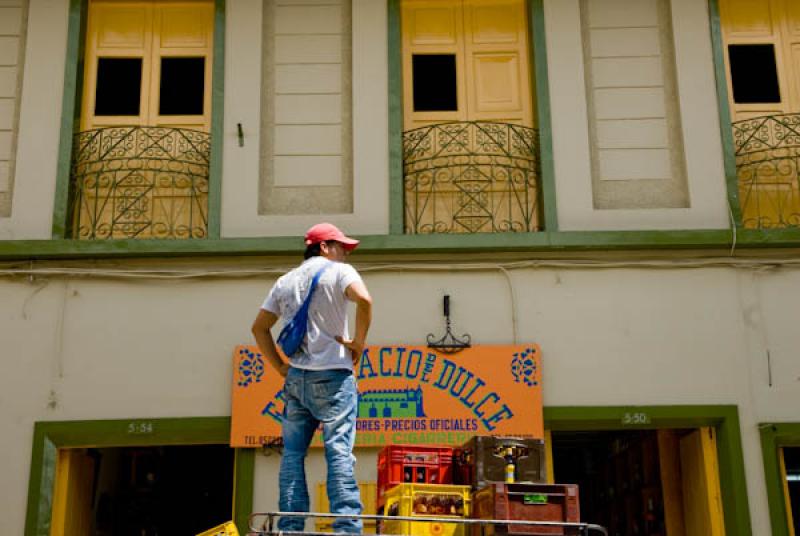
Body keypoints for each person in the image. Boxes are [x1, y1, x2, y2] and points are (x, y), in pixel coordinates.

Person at [251, 222, 373, 534]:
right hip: (333, 375)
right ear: (323, 246)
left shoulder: (285, 281)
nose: (345, 252)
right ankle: (346, 527)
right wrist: (358, 342)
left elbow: (259, 328)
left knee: (292, 455)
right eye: (341, 246)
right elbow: (364, 300)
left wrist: (280, 367)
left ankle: (291, 527)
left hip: (296, 379)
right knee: (338, 451)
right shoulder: (339, 272)